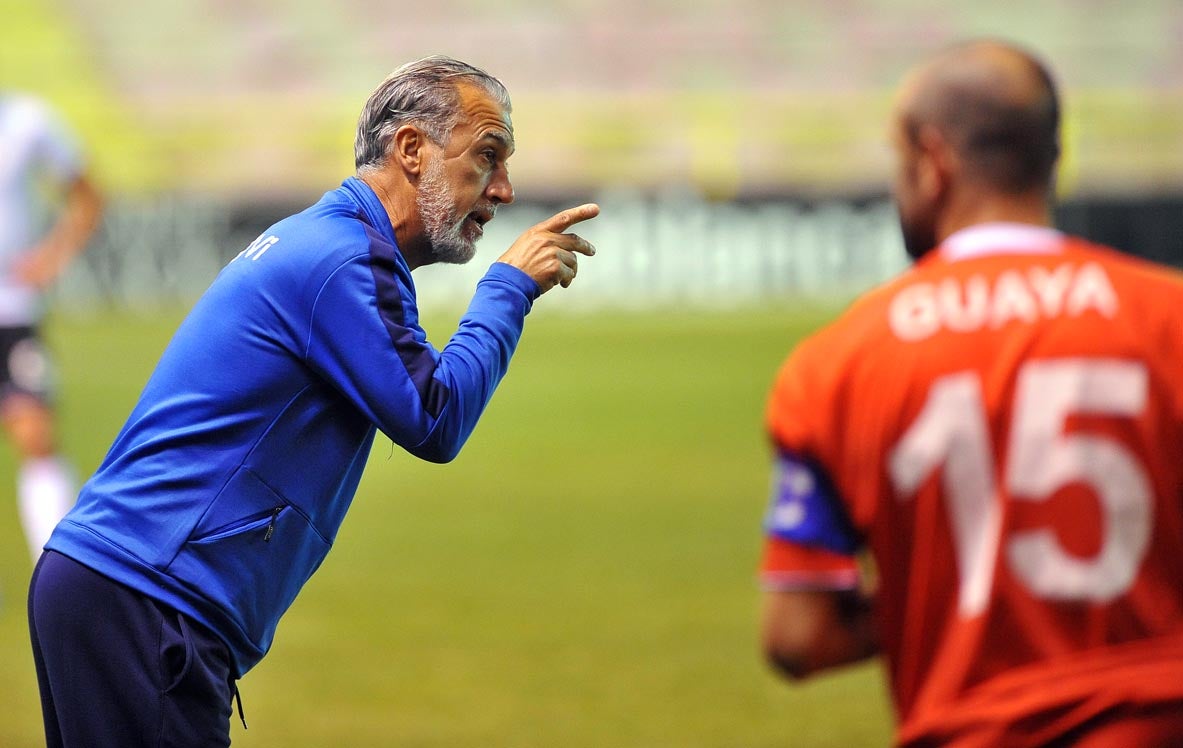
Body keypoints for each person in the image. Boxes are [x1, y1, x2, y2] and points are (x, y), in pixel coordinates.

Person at [28, 56, 598, 747]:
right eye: (487, 157)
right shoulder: (344, 258)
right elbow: (433, 417)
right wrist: (507, 290)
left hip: (120, 588)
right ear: (411, 149)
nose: (504, 189)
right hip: (146, 596)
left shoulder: (326, 241)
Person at [758, 40, 1183, 747]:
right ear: (1052, 157)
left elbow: (797, 637)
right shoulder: (1166, 319)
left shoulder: (835, 364)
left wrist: (949, 591)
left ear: (931, 163)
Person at [0, 94, 102, 564]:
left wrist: (51, 258)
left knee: (35, 432)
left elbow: (86, 194)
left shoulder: (26, 121)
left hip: (13, 310)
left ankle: (56, 565)